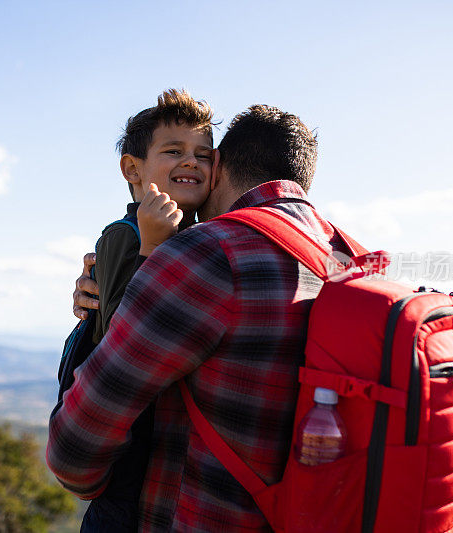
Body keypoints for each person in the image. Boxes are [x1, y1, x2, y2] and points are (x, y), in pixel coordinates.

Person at [48, 104, 351, 531]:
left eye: (203, 154)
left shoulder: (209, 254)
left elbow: (74, 451)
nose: (191, 162)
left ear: (219, 165)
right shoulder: (347, 259)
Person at [57, 88, 215, 532]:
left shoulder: (199, 238)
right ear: (132, 168)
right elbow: (122, 344)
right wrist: (151, 246)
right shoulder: (124, 236)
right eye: (173, 151)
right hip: (127, 459)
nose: (191, 162)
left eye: (204, 155)